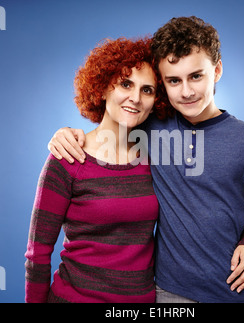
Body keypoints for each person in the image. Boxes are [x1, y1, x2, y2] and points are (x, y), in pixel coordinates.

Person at [47, 18, 244, 302]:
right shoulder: (147, 129)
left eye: (196, 76)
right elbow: (113, 123)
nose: (187, 91)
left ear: (217, 70)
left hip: (211, 291)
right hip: (162, 293)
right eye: (174, 80)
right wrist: (64, 133)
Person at [25, 37, 163, 303]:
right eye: (125, 84)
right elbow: (37, 254)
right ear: (102, 89)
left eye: (147, 90)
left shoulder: (156, 158)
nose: (135, 98)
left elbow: (201, 203)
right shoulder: (68, 158)